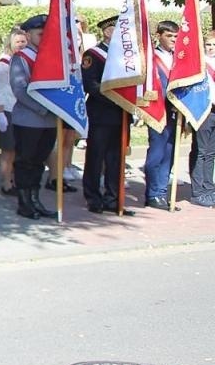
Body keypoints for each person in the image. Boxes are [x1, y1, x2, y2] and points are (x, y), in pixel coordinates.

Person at [80, 15, 133, 215]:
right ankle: (93, 198)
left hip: (121, 114)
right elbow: (90, 84)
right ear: (108, 31)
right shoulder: (93, 54)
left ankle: (114, 198)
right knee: (96, 156)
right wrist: (114, 98)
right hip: (101, 114)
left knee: (116, 159)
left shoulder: (126, 57)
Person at [8, 14, 57, 219]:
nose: (43, 37)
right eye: (39, 33)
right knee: (25, 161)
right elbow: (19, 89)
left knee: (38, 162)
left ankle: (36, 199)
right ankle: (24, 202)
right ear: (27, 35)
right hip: (29, 119)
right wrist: (44, 109)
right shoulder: (22, 58)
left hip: (50, 120)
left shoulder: (51, 57)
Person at [142, 20, 180, 211]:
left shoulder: (179, 58)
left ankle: (162, 193)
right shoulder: (152, 58)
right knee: (156, 154)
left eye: (175, 36)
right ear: (159, 36)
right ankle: (152, 194)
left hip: (176, 114)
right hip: (158, 112)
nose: (173, 39)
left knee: (169, 154)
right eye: (169, 36)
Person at [0, 29, 26, 195]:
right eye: (17, 41)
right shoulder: (2, 64)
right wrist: (0, 114)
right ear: (10, 43)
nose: (21, 44)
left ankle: (13, 180)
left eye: (23, 41)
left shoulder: (22, 61)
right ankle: (6, 183)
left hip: (21, 110)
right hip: (8, 110)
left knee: (18, 150)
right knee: (8, 150)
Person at [188, 34, 215, 208]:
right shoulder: (199, 64)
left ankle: (209, 188)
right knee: (201, 151)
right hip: (203, 110)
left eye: (214, 44)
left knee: (212, 153)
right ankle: (198, 192)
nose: (211, 47)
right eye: (208, 44)